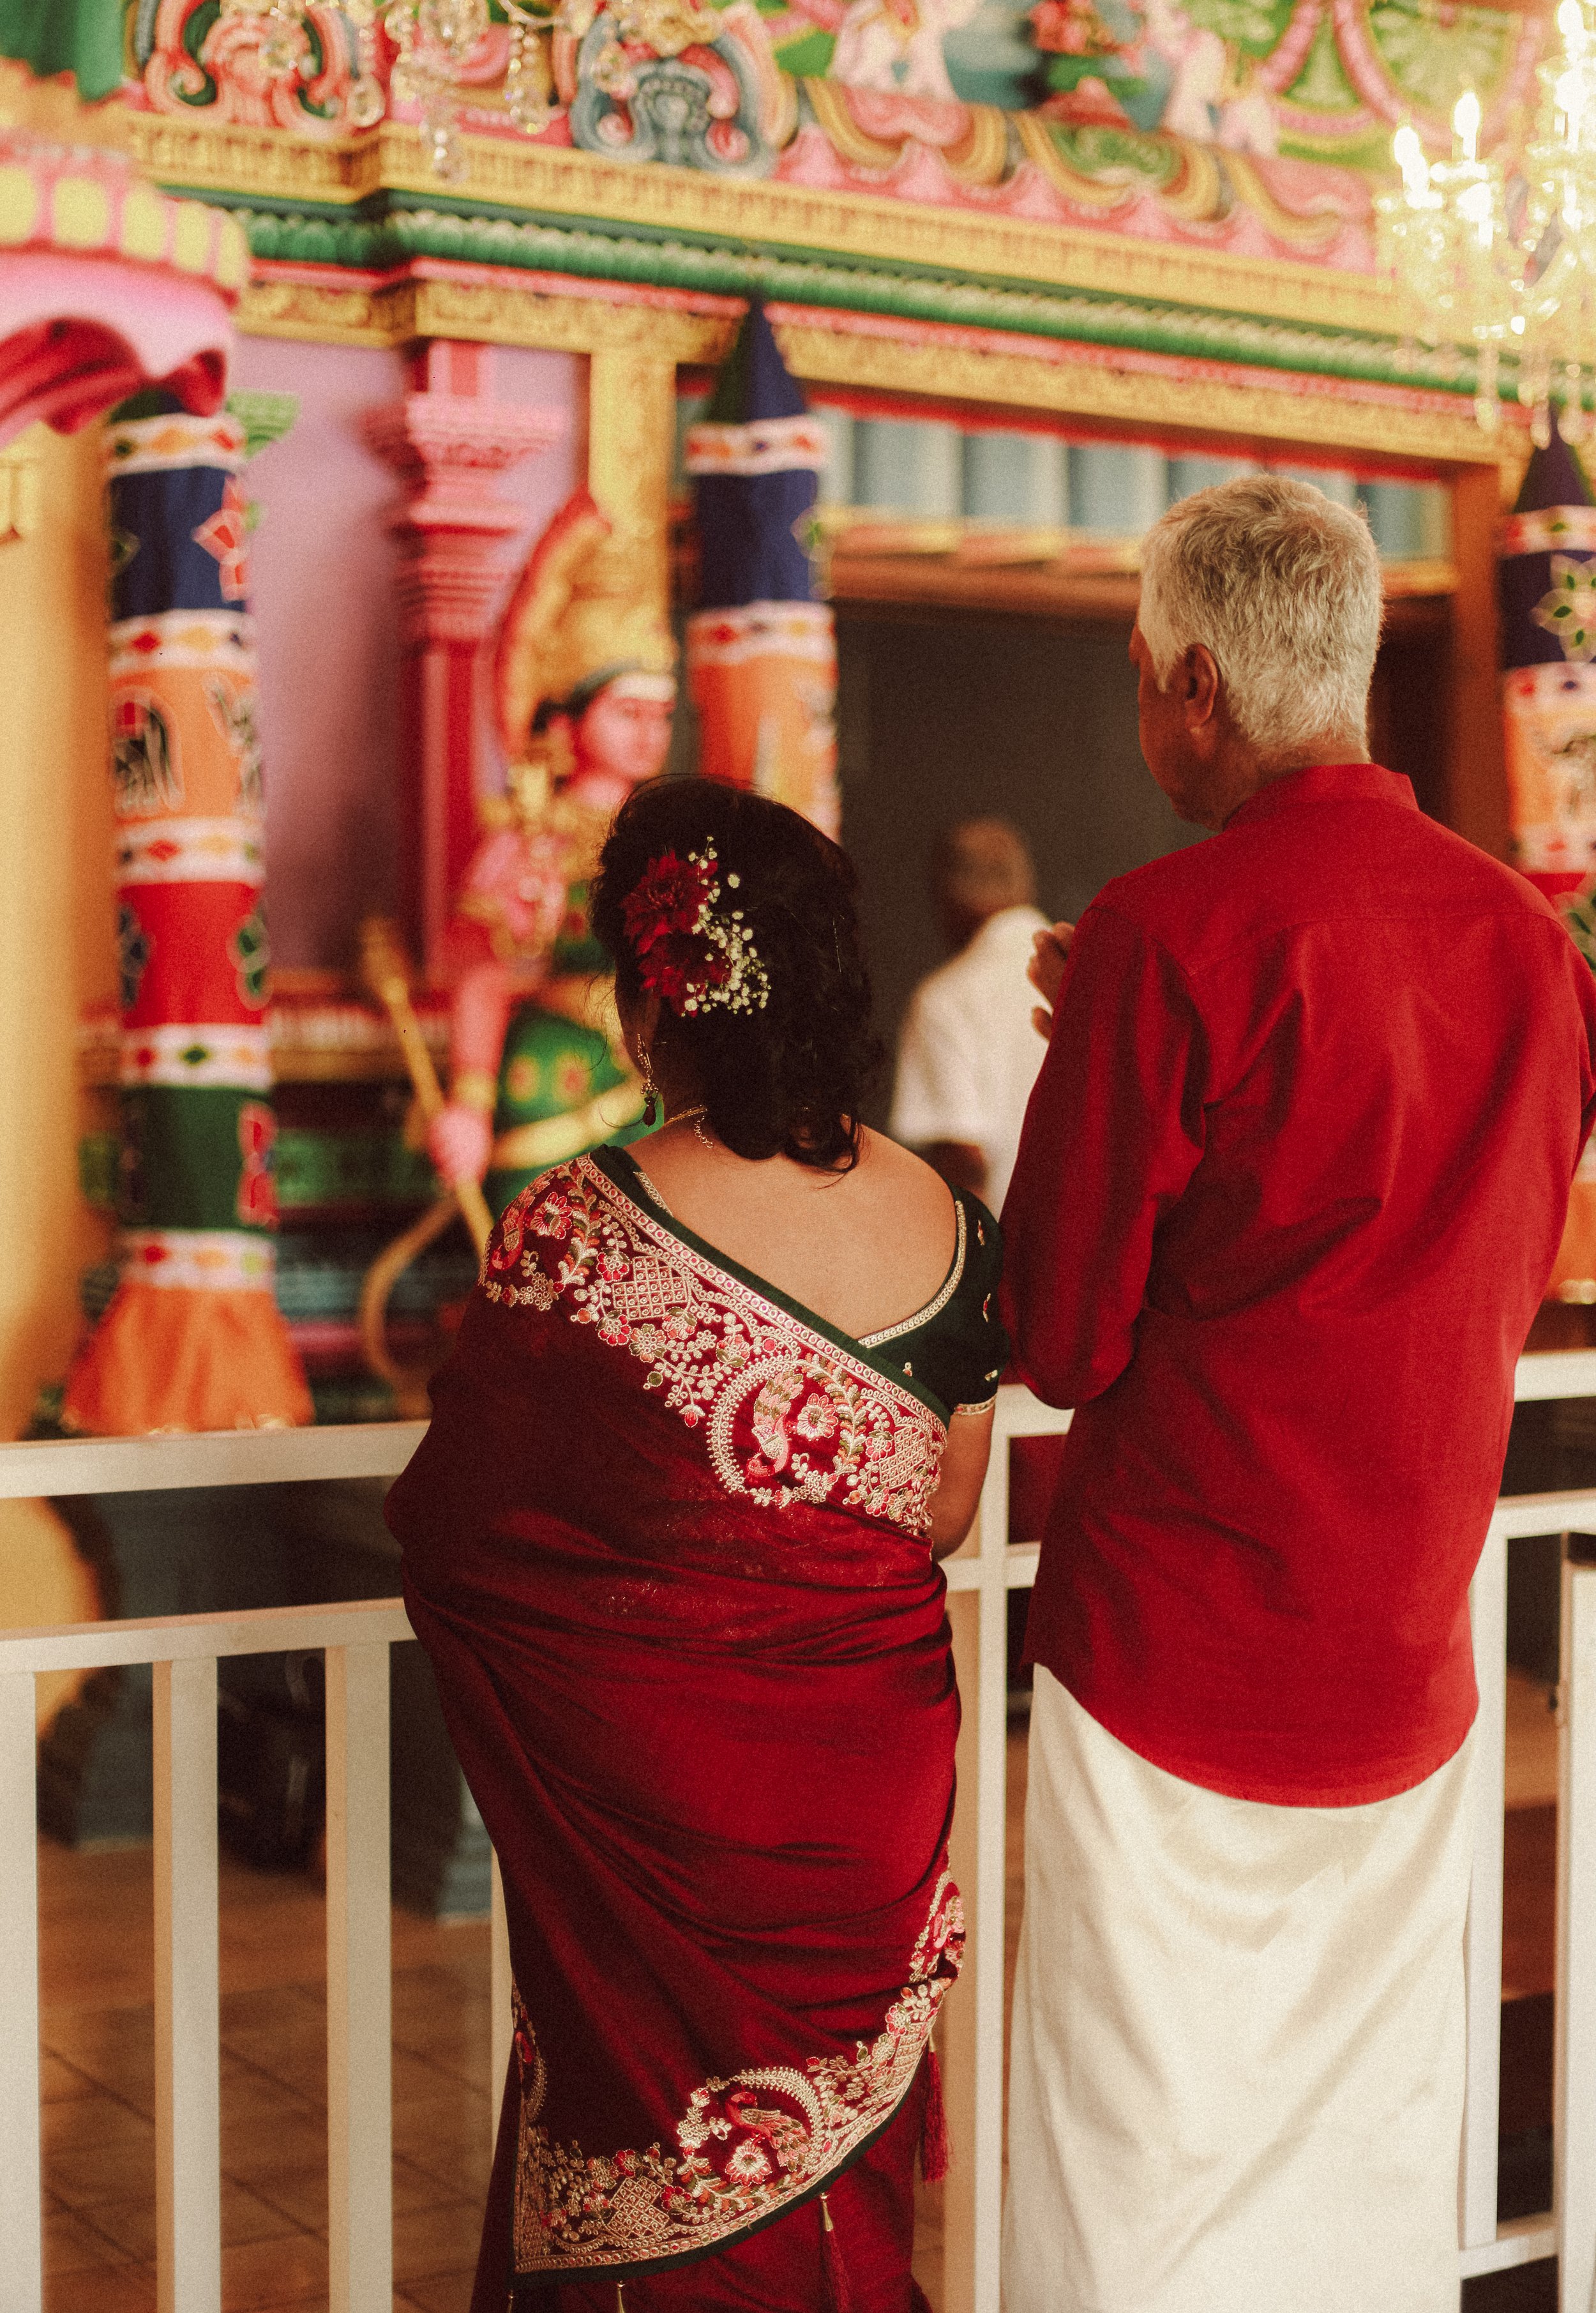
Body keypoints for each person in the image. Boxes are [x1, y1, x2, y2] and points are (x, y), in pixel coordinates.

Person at [1000, 474, 1596, 2313]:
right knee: (1355, 2149)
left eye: (1133, 677)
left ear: (1193, 682)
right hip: (1414, 1652)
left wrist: (1094, 1034)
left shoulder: (1165, 932)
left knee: (1136, 2148)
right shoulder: (1530, 947)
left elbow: (1059, 1336)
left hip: (1176, 1644)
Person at [388, 777, 1010, 2313]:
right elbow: (943, 1507)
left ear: (651, 1002)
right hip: (864, 1809)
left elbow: (462, 1531)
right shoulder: (948, 1221)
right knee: (844, 2176)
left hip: (653, 1816)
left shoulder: (577, 1229)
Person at [428, 488, 676, 1217]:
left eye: (661, 715)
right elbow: (485, 974)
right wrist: (469, 1105)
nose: (648, 735)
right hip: (554, 1070)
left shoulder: (675, 835)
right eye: (627, 713)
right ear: (570, 719)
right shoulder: (534, 839)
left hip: (662, 1085)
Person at [890, 817, 1049, 1211]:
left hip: (1006, 1252)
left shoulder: (948, 998)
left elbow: (963, 1162)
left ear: (950, 897)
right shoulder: (1086, 974)